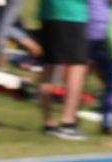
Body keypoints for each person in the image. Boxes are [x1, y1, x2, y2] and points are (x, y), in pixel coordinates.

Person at [41, 0, 95, 137]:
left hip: (49, 13)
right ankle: (67, 123)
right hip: (71, 14)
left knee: (49, 67)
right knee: (77, 66)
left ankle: (48, 123)